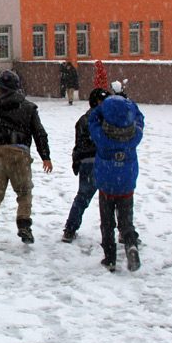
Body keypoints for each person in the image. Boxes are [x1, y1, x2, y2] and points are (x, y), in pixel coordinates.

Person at [0, 70, 53, 251]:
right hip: (20, 155)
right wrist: (46, 156)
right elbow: (39, 133)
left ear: (2, 89)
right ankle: (24, 223)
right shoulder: (28, 107)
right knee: (24, 192)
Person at [89, 95, 145, 272]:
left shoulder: (101, 137)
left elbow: (93, 118)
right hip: (126, 183)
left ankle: (110, 258)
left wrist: (102, 107)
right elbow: (140, 117)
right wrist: (129, 105)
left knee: (107, 223)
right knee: (126, 220)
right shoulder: (134, 136)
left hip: (106, 185)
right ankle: (130, 244)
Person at [61, 88, 110, 243]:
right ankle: (123, 231)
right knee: (114, 199)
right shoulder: (108, 119)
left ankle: (70, 229)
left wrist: (77, 161)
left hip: (87, 162)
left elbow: (79, 144)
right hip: (105, 161)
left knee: (82, 197)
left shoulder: (83, 120)